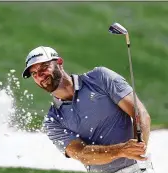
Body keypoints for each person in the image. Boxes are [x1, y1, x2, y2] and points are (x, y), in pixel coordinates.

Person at [22, 46, 154, 173]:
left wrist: (139, 145)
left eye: (44, 67)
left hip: (137, 169)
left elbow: (139, 112)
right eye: (34, 73)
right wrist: (121, 150)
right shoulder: (53, 121)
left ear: (59, 62)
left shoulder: (100, 78)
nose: (40, 76)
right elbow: (81, 153)